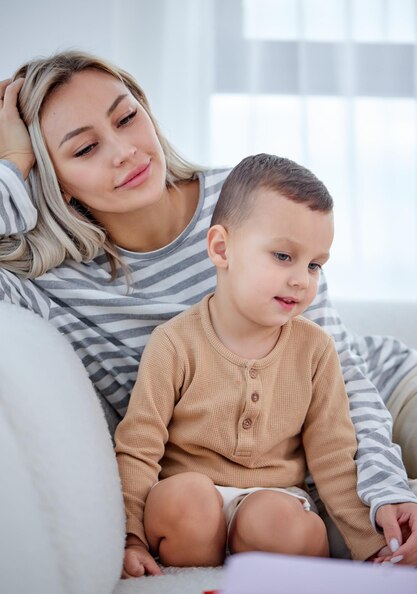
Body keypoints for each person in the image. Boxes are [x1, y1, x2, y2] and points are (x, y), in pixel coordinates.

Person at [0, 50, 416, 564]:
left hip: (380, 399)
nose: (125, 151)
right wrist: (13, 168)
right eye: (85, 148)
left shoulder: (246, 199)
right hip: (262, 486)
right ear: (51, 176)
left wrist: (387, 489)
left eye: (127, 117)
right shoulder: (49, 282)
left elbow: (344, 379)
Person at [115, 153, 388, 577]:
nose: (302, 279)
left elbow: (334, 453)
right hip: (193, 500)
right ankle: (200, 570)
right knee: (185, 498)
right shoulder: (173, 343)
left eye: (315, 264)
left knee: (274, 519)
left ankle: (266, 567)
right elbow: (138, 447)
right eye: (283, 256)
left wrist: (370, 547)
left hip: (273, 497)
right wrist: (131, 536)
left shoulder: (315, 350)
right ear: (222, 249)